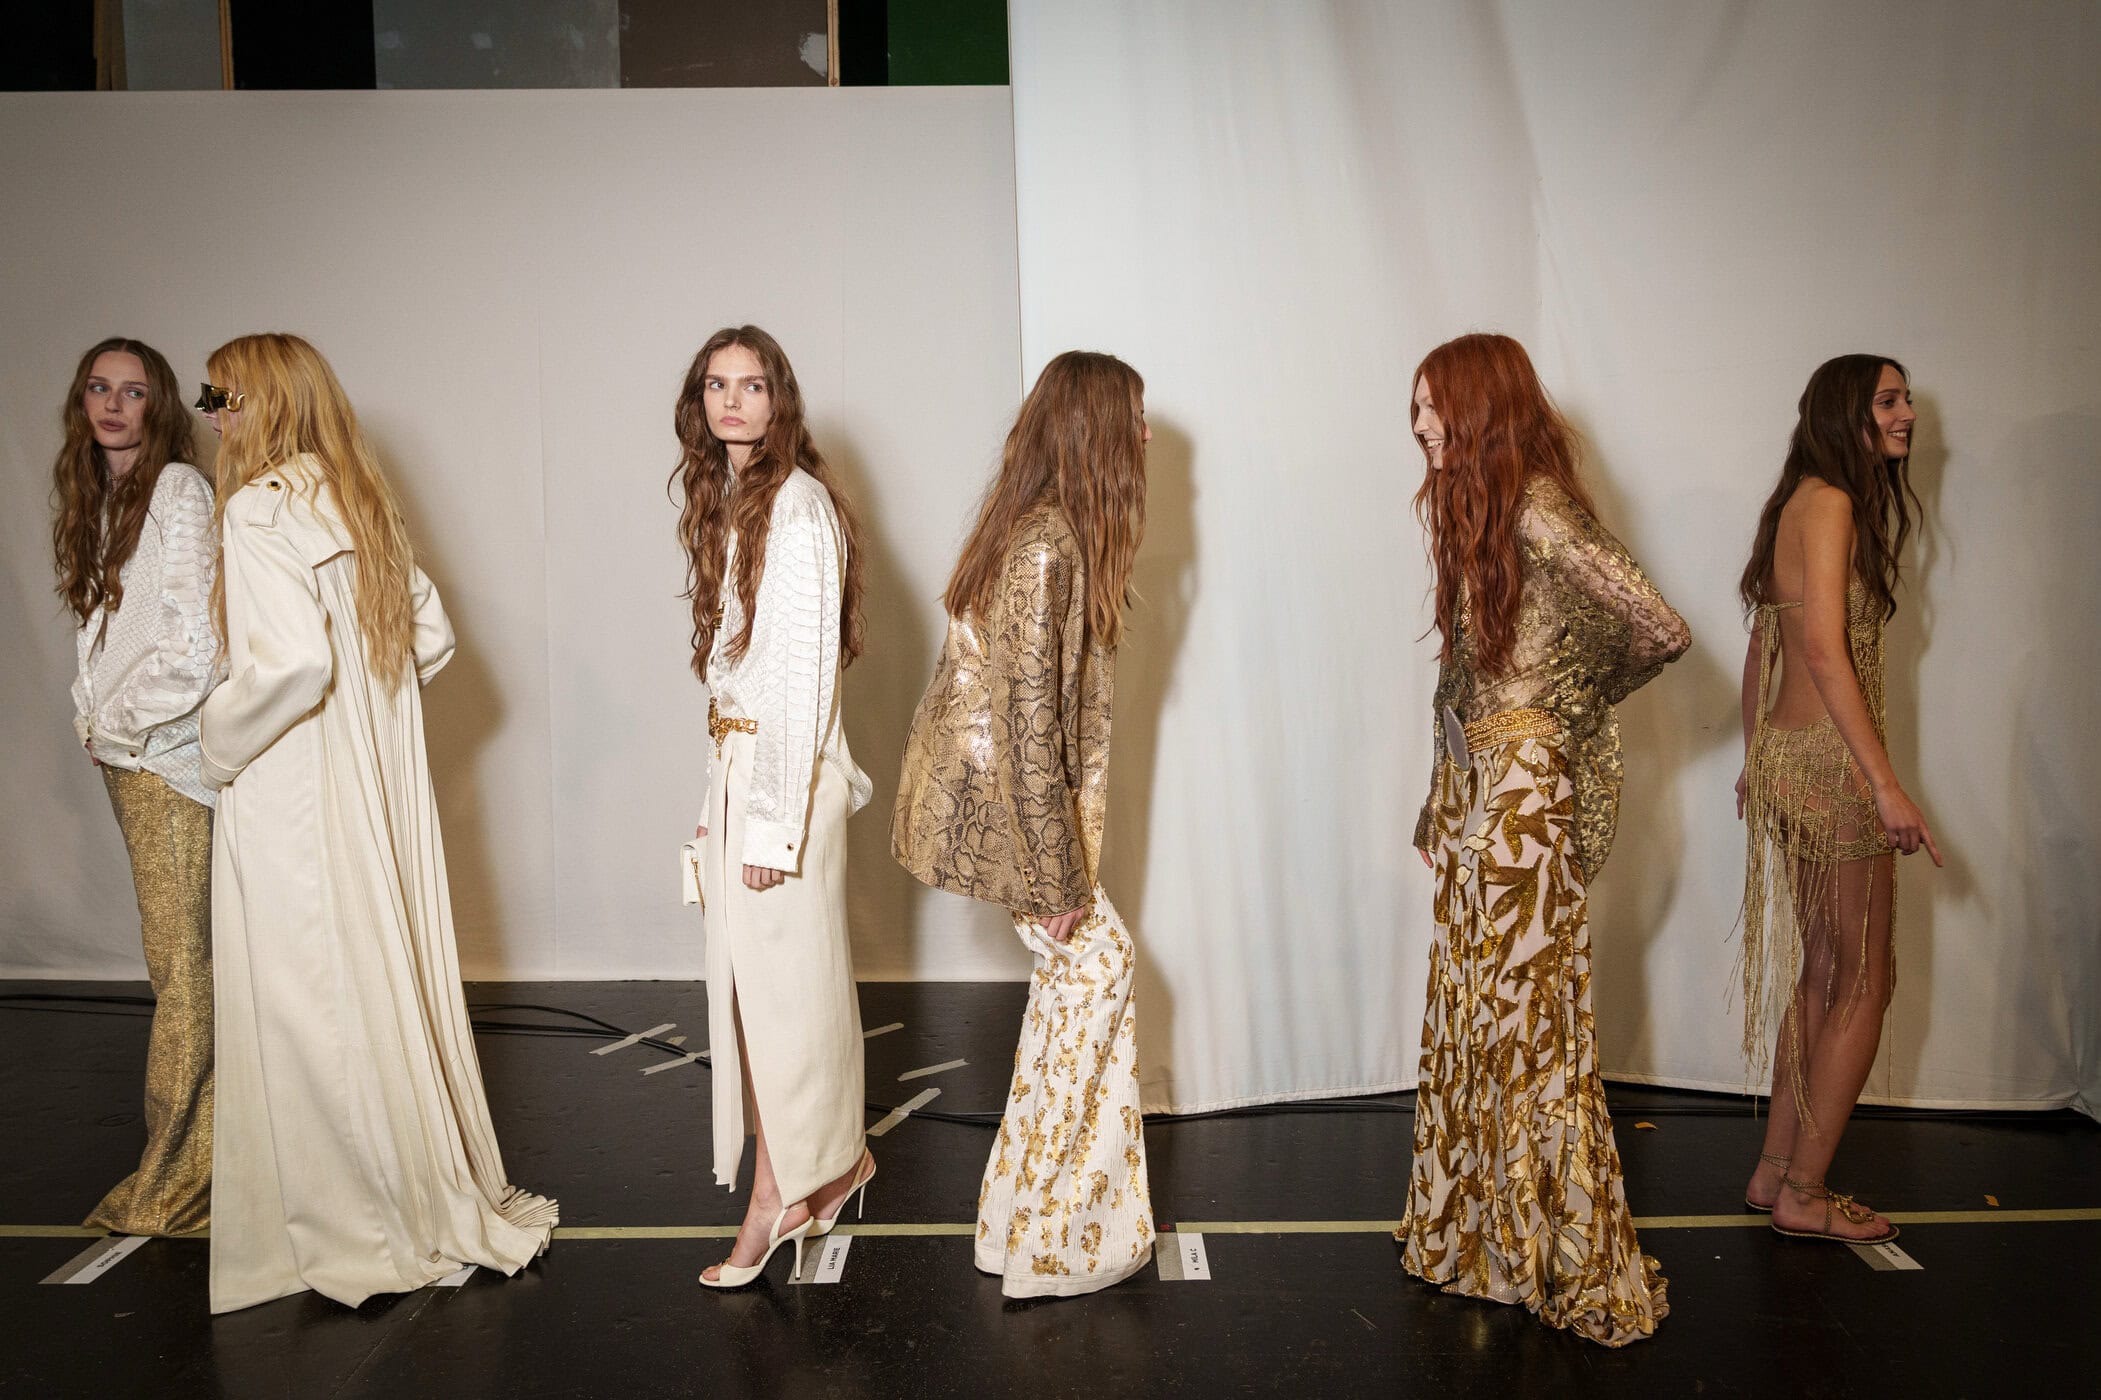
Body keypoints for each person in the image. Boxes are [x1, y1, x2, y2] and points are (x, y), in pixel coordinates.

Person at [196, 332, 555, 1313]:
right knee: (366, 978)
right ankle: (405, 1189)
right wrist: (369, 719)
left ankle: (349, 1213)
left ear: (265, 402)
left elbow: (291, 666)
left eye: (221, 396)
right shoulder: (358, 499)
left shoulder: (259, 507)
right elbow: (427, 636)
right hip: (369, 788)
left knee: (304, 1000)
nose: (211, 415)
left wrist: (213, 742)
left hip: (290, 790)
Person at [1396, 332, 1687, 1347]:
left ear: (1481, 406)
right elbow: (1460, 678)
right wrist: (1439, 800)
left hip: (1522, 798)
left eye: (1433, 405)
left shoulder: (1537, 507)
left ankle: (1544, 1248)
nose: (1418, 425)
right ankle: (1484, 1239)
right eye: (1415, 407)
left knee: (1526, 1023)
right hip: (1480, 795)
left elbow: (1658, 626)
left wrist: (1556, 707)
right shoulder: (1477, 509)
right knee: (1482, 1012)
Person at [894, 350, 1155, 1299]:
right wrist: (1056, 885)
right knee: (1097, 972)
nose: (1147, 433)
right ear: (1096, 430)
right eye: (1134, 415)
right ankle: (1054, 1241)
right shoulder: (1046, 543)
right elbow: (1027, 725)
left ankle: (1018, 1227)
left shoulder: (1048, 531)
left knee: (1065, 1000)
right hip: (1017, 829)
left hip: (1022, 826)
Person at [673, 326, 876, 1288]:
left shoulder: (795, 508)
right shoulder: (732, 498)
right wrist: (714, 805)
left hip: (781, 785)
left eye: (750, 385)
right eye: (716, 385)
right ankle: (826, 1169)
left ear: (778, 398)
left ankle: (781, 1191)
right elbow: (738, 684)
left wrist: (768, 825)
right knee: (764, 1004)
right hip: (744, 773)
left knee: (785, 1003)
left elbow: (801, 688)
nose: (731, 400)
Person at [1736, 355, 1940, 1245]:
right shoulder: (1830, 504)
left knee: (1822, 970)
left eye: (1905, 400)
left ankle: (1775, 1171)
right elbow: (1819, 649)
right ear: (1846, 413)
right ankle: (1805, 1193)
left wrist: (1756, 757)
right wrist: (1884, 785)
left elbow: (1764, 646)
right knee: (1863, 977)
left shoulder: (1798, 501)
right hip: (1831, 768)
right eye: (1888, 401)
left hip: (1789, 758)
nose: (1906, 414)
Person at [52, 337, 218, 1237]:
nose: (113, 405)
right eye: (98, 388)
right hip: (128, 754)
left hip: (167, 757)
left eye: (134, 391)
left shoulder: (179, 490)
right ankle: (194, 1165)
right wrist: (91, 717)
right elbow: (102, 636)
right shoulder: (102, 495)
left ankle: (180, 1182)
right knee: (181, 966)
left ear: (161, 406)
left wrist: (116, 726)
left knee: (182, 971)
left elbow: (196, 646)